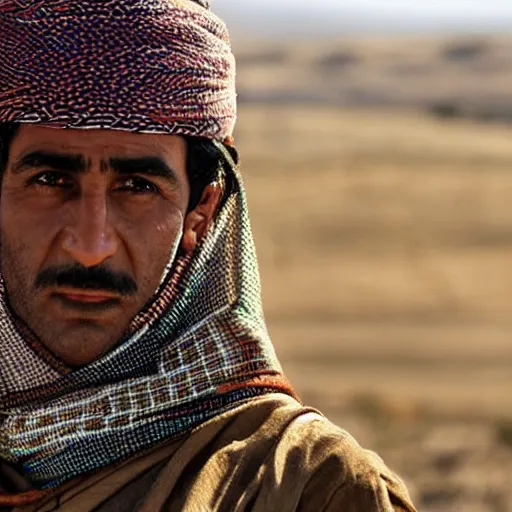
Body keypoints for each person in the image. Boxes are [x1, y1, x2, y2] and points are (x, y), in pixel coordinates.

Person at [0, 0, 417, 510]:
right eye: (50, 180)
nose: (92, 246)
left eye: (137, 186)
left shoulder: (305, 486)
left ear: (201, 211)